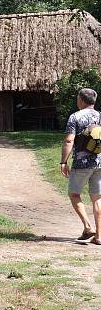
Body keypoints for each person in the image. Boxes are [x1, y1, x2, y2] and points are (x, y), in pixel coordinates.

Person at [60, 88, 101, 244]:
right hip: (99, 162)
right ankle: (99, 236)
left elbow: (69, 141)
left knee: (74, 194)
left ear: (81, 100)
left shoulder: (75, 117)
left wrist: (64, 161)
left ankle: (87, 226)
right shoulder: (100, 116)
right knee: (97, 198)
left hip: (82, 163)